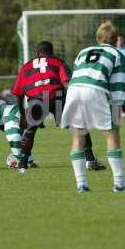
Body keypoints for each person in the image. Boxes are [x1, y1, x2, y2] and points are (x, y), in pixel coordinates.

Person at [61, 21, 125, 193]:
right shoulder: (118, 54)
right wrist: (117, 109)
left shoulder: (83, 51)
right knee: (111, 134)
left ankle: (81, 184)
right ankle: (120, 183)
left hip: (74, 90)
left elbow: (77, 74)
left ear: (98, 37)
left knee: (78, 136)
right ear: (115, 38)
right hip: (95, 89)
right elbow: (118, 84)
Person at [11, 41, 104, 173]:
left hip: (36, 100)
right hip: (57, 98)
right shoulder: (57, 61)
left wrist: (22, 116)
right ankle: (90, 160)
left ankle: (22, 164)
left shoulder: (25, 67)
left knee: (30, 130)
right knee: (79, 124)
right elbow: (66, 82)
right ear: (51, 52)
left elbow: (18, 94)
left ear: (37, 53)